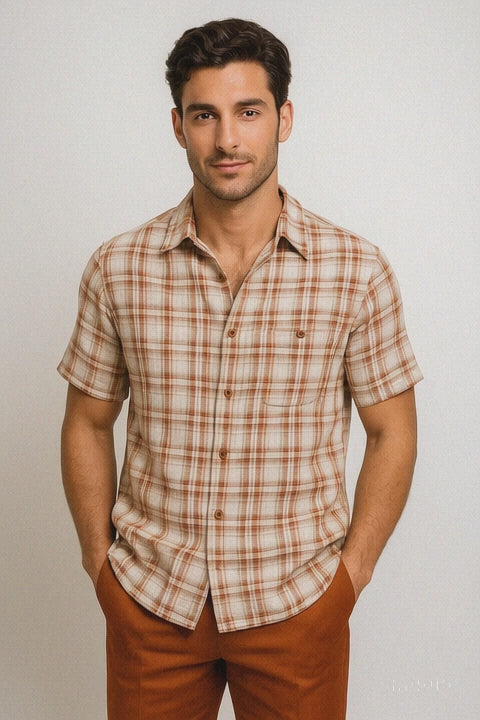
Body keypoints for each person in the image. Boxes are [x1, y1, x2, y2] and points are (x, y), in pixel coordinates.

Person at [58, 18, 423, 720]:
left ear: (284, 119)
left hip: (297, 604)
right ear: (178, 126)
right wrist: (100, 565)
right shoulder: (118, 268)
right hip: (153, 605)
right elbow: (87, 421)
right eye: (205, 115)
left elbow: (393, 432)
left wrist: (349, 579)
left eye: (248, 112)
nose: (227, 139)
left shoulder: (356, 271)